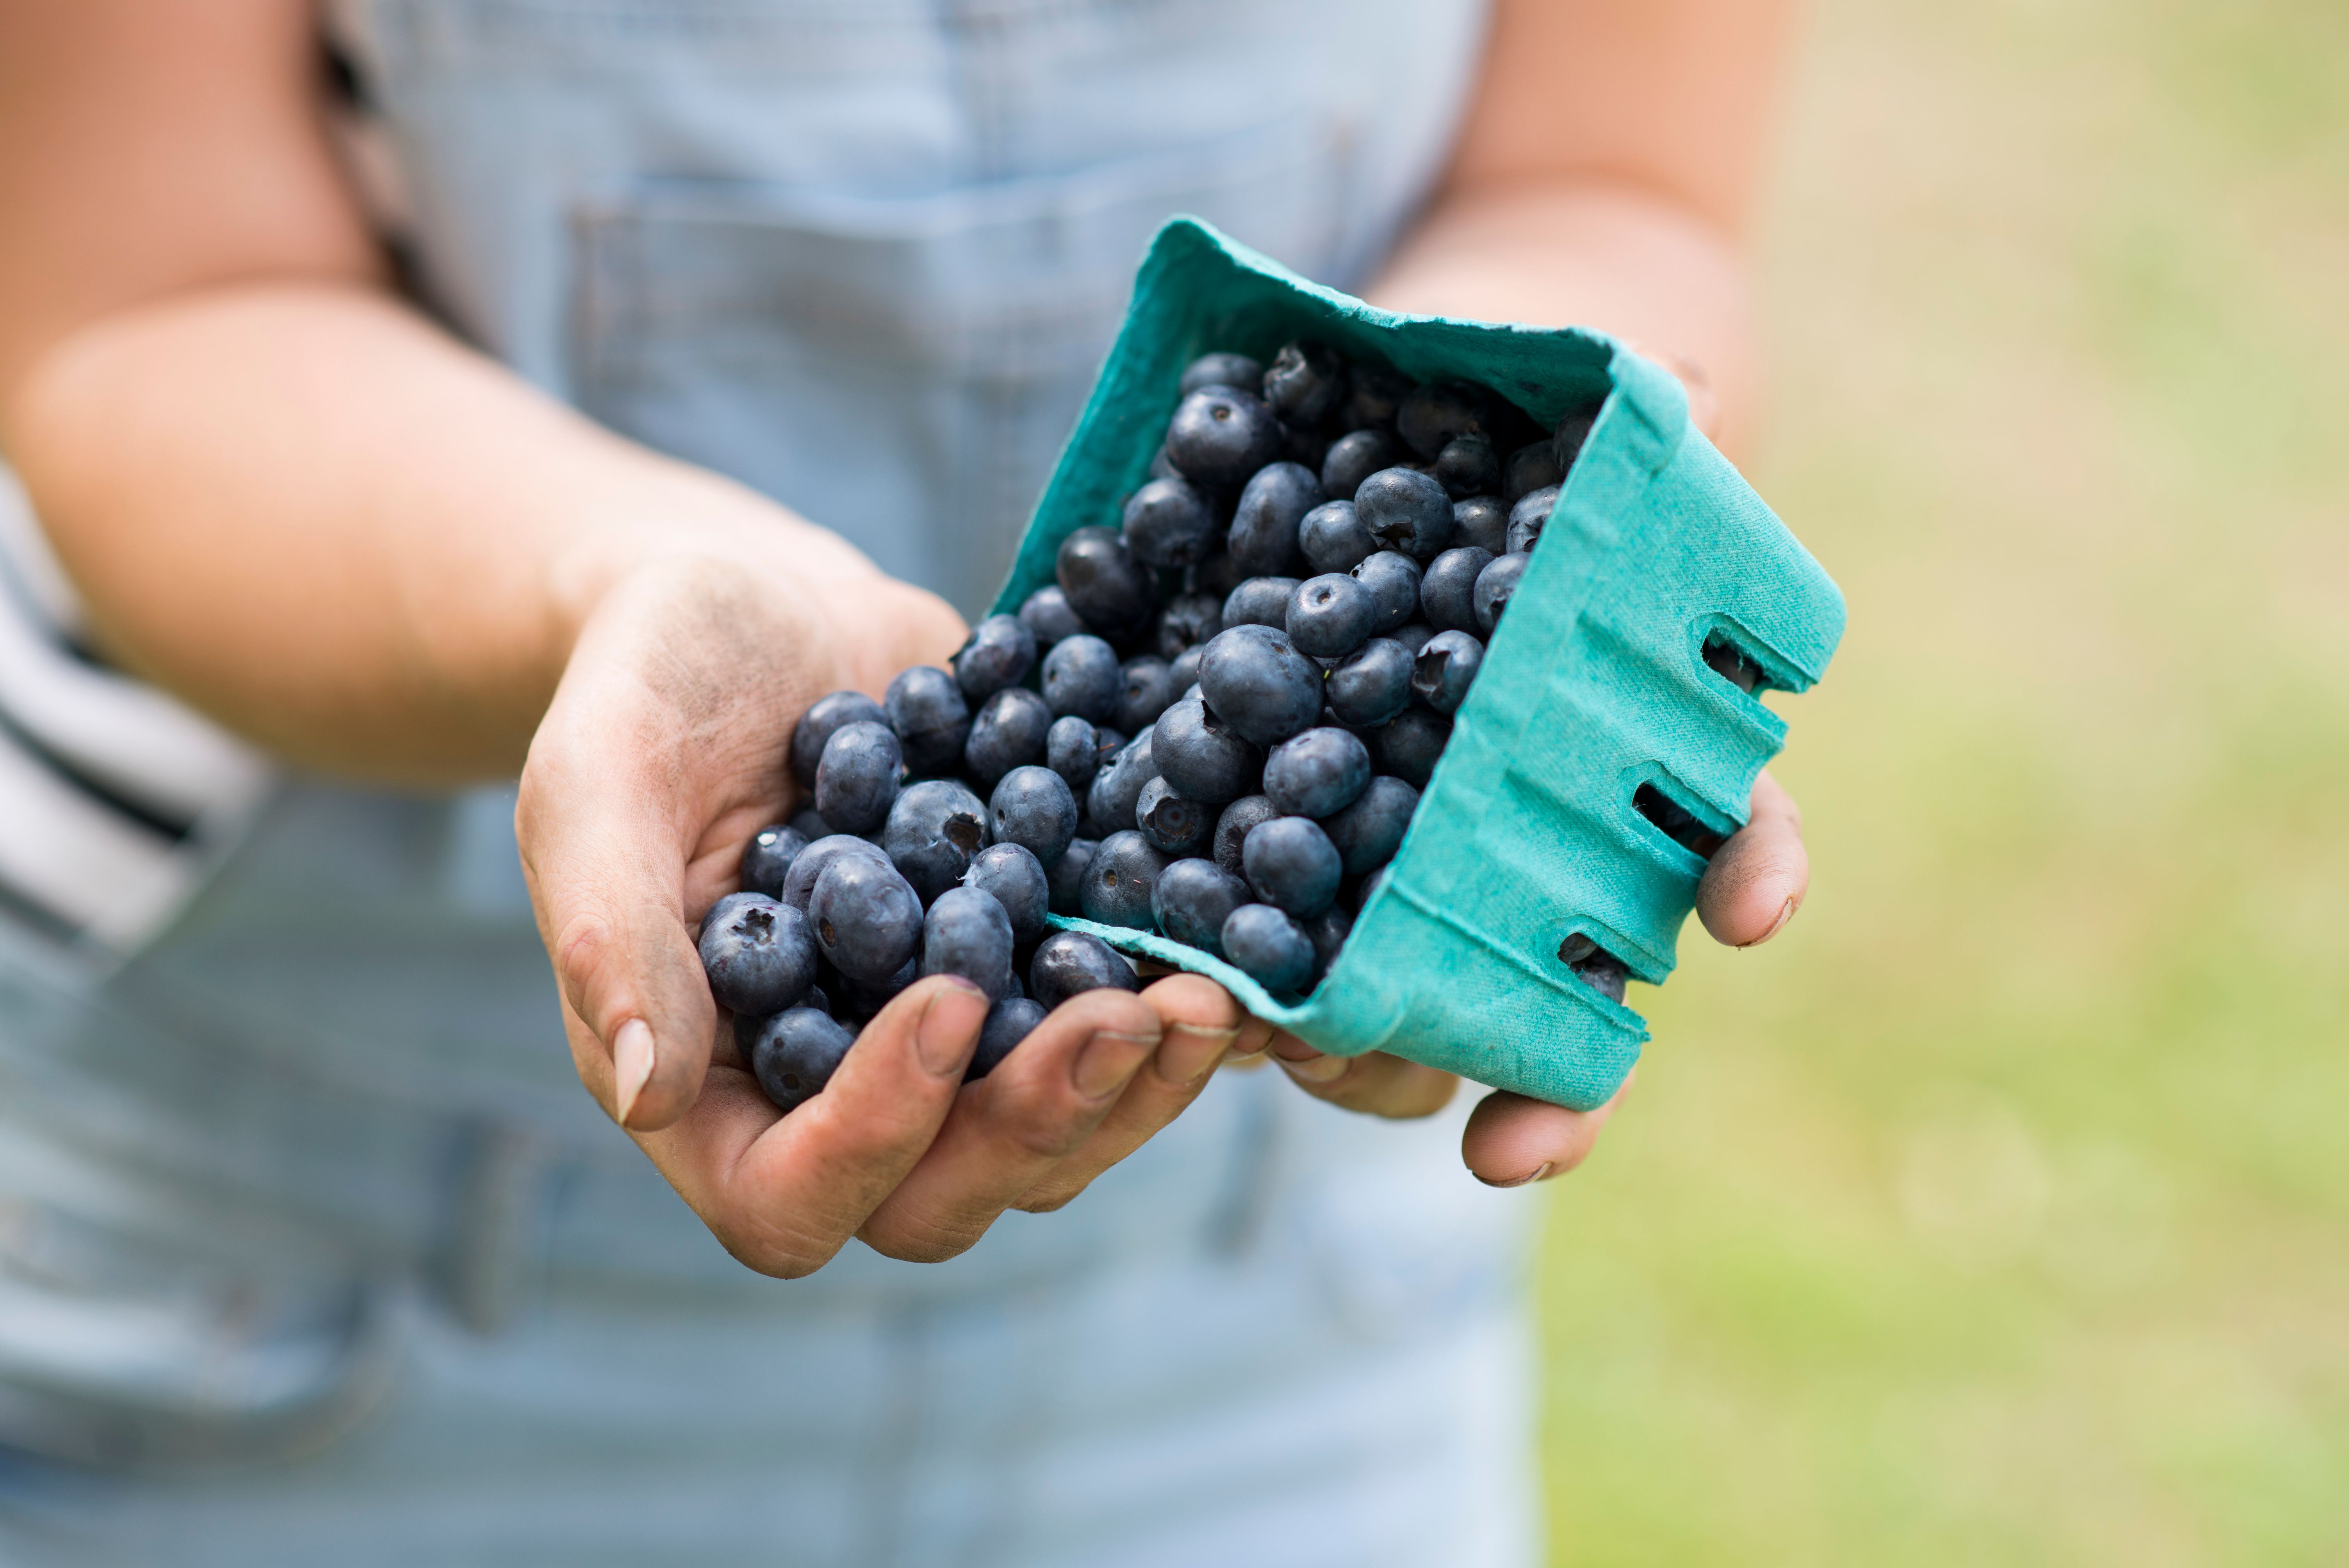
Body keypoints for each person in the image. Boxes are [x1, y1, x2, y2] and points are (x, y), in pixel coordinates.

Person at [0, 0, 1809, 1561]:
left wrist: (1557, 553)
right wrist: (621, 580)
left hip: (1272, 1326)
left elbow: (1606, 182)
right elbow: (147, 313)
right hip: (288, 1298)